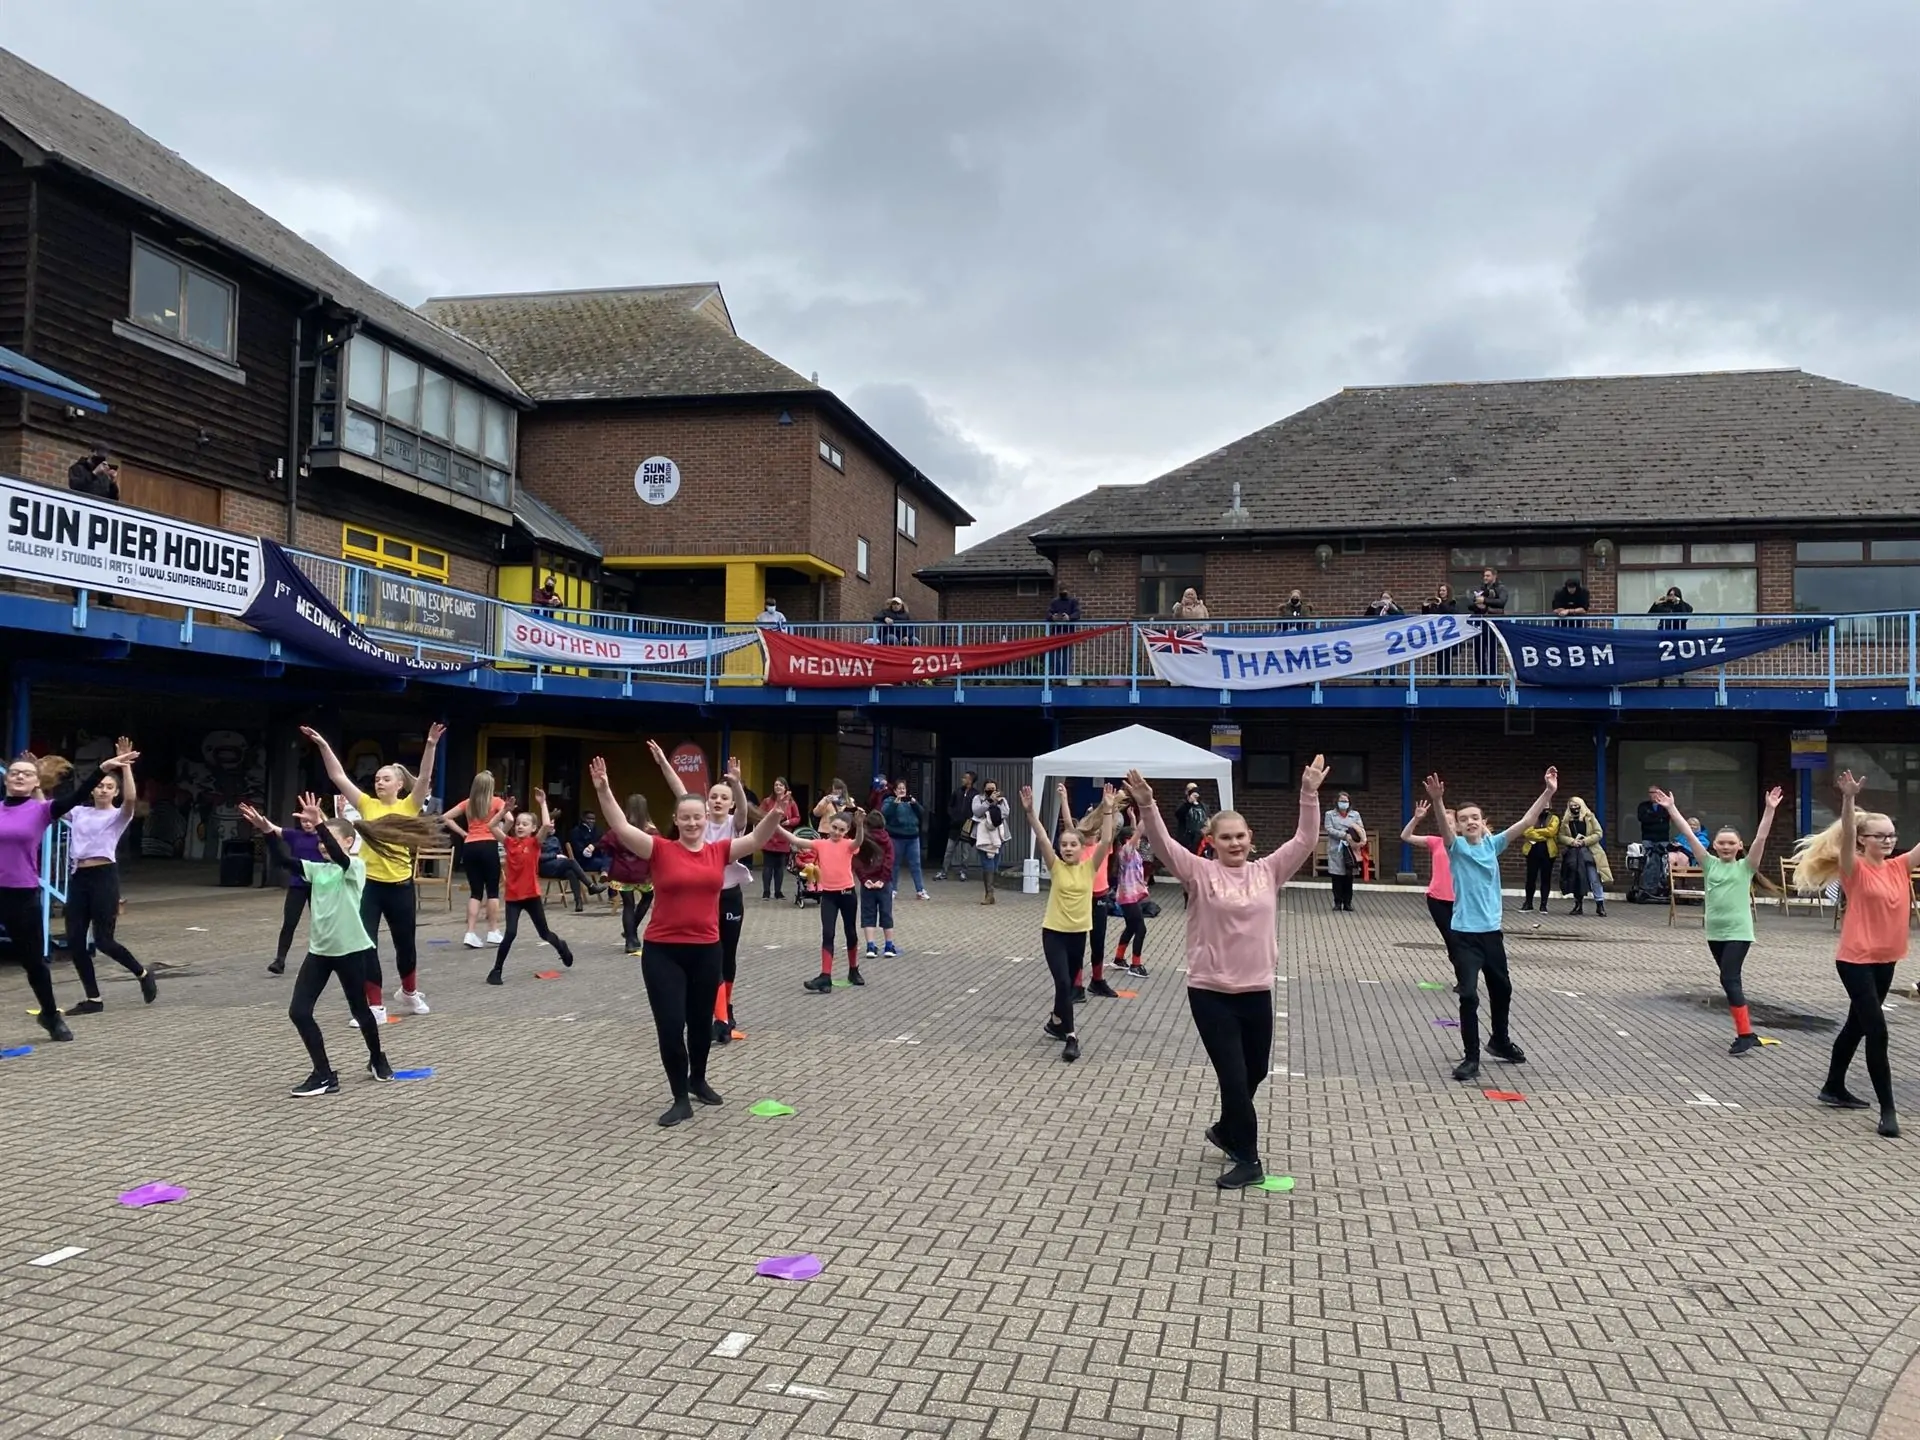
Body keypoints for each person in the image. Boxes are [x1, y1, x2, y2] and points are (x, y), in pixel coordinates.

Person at [1127, 755, 1325, 1189]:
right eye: (1226, 837)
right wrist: (1147, 805)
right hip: (1211, 993)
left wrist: (1309, 794)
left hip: (1256, 991)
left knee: (1255, 1073)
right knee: (1234, 1079)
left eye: (1240, 836)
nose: (1234, 843)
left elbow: (1305, 839)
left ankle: (1223, 1129)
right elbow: (1163, 845)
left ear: (1250, 839)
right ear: (1211, 841)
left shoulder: (1268, 871)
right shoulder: (1198, 873)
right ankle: (1248, 1158)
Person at [589, 755, 783, 1127]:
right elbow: (619, 825)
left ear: (706, 820)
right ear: (676, 820)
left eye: (698, 817)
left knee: (699, 1023)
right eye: (686, 817)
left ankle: (698, 1080)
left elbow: (757, 838)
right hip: (663, 951)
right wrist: (603, 789)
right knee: (670, 1023)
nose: (693, 823)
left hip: (706, 950)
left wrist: (774, 814)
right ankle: (680, 1096)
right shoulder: (659, 849)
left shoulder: (718, 851)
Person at [240, 794, 431, 1096]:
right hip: (319, 952)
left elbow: (339, 857)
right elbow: (284, 861)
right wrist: (267, 831)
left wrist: (320, 824)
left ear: (349, 842)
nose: (321, 844)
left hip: (351, 951)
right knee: (299, 1012)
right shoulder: (318, 870)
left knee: (361, 1011)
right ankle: (324, 1074)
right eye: (319, 840)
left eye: (327, 839)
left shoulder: (354, 867)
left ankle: (377, 1058)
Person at [1792, 771, 1920, 1138]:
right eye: (1880, 836)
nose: (1888, 840)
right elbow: (1847, 834)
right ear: (1864, 840)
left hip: (1886, 959)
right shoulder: (1855, 867)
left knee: (1857, 1025)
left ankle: (1833, 1087)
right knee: (1877, 1031)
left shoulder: (1899, 866)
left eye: (1892, 835)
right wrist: (1848, 799)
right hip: (1856, 960)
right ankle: (1888, 1110)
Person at [1422, 766, 1559, 1083]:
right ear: (1459, 826)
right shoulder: (1456, 848)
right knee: (1469, 995)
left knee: (1502, 989)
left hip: (1491, 935)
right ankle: (1471, 1058)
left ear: (1483, 823)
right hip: (1465, 936)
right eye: (1464, 819)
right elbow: (1444, 829)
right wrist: (1438, 801)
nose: (1470, 822)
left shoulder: (1492, 845)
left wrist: (1549, 791)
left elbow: (1527, 822)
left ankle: (1500, 1040)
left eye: (1476, 818)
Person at [301, 723, 444, 1020]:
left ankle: (409, 993)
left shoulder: (410, 805)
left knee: (406, 946)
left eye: (386, 779)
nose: (379, 782)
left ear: (399, 784)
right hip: (369, 886)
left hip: (401, 886)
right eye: (377, 779)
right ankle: (375, 1006)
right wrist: (324, 745)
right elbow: (338, 776)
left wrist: (430, 745)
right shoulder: (367, 804)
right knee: (367, 946)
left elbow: (425, 777)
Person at [1651, 784, 1782, 1055]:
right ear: (1714, 845)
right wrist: (1671, 808)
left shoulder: (1746, 867)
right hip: (1715, 933)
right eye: (1722, 843)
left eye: (1731, 843)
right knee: (1729, 981)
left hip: (1739, 933)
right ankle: (1747, 1032)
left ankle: (1745, 1035)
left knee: (1729, 978)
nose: (1726, 846)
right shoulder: (1708, 863)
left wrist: (1769, 809)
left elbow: (1761, 837)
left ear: (1739, 846)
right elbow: (1689, 834)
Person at [2, 750, 118, 1042]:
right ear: (6, 779)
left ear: (36, 783)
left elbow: (78, 795)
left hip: (21, 894)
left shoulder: (41, 810)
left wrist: (102, 768)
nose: (19, 776)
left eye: (27, 773)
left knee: (33, 963)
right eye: (14, 772)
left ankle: (51, 1015)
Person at [649, 740, 750, 1046]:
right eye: (714, 796)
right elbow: (680, 790)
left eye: (724, 797)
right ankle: (719, 1018)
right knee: (713, 957)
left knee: (728, 958)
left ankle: (726, 1010)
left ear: (730, 804)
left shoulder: (735, 824)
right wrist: (663, 764)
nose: (718, 801)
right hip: (704, 899)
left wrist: (737, 784)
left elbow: (745, 810)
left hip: (730, 896)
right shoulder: (699, 821)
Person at [1021, 781, 1117, 1064]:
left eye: (1072, 844)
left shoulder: (1089, 867)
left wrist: (1108, 810)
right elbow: (1041, 837)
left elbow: (1107, 841)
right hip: (1054, 934)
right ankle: (1071, 1037)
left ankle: (1055, 1021)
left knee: (1066, 986)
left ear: (1081, 847)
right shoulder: (1056, 867)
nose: (1067, 848)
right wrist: (1030, 813)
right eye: (1063, 844)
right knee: (1064, 983)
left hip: (1078, 935)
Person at [61, 738, 158, 1014]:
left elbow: (131, 799)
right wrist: (36, 785)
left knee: (103, 941)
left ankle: (142, 973)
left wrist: (124, 766)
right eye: (100, 786)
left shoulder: (118, 815)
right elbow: (48, 809)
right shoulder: (78, 812)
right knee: (75, 941)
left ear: (114, 792)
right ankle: (93, 999)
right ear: (92, 789)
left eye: (109, 787)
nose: (103, 790)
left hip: (104, 877)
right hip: (78, 877)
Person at [486, 791, 575, 982]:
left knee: (544, 933)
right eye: (518, 823)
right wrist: (504, 810)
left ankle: (561, 947)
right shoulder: (509, 842)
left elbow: (546, 825)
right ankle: (496, 971)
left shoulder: (535, 843)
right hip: (513, 897)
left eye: (525, 824)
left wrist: (542, 803)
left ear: (533, 828)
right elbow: (491, 826)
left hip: (531, 896)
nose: (520, 826)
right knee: (510, 933)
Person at [785, 808, 866, 989]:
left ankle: (854, 970)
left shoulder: (848, 844)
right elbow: (796, 840)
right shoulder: (821, 844)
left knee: (850, 932)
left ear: (847, 831)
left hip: (847, 894)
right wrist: (774, 826)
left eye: (842, 830)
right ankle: (825, 976)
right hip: (829, 895)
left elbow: (858, 841)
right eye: (834, 827)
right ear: (829, 825)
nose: (837, 832)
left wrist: (860, 826)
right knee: (828, 933)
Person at [440, 771, 507, 950]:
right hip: (489, 845)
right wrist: (501, 834)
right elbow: (509, 819)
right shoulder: (497, 802)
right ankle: (493, 930)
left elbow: (445, 817)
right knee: (492, 891)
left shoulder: (468, 803)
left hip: (470, 845)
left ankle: (470, 932)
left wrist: (463, 833)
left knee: (475, 892)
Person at [268, 791, 327, 975]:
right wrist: (260, 821)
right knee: (289, 922)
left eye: (310, 821)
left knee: (321, 922)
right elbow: (273, 829)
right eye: (303, 821)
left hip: (319, 885)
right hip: (297, 884)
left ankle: (325, 958)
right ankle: (280, 960)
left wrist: (340, 811)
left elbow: (342, 831)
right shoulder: (295, 835)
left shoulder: (325, 837)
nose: (307, 824)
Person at [1401, 799, 1458, 972]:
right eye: (1443, 822)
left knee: (1460, 939)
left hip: (1460, 899)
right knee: (1450, 938)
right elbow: (1406, 836)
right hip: (1437, 899)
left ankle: (1464, 976)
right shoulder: (1435, 842)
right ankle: (1462, 976)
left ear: (1458, 826)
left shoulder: (1465, 844)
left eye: (1450, 822)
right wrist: (1416, 818)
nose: (1446, 826)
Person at [605, 793, 656, 956]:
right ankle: (631, 931)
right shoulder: (651, 830)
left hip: (622, 872)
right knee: (647, 897)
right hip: (642, 873)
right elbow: (657, 850)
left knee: (628, 904)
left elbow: (606, 843)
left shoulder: (621, 829)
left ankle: (630, 939)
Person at [538, 811, 601, 912]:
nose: (552, 826)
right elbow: (537, 857)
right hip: (544, 867)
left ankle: (578, 902)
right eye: (550, 823)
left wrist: (560, 857)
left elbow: (560, 853)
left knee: (571, 872)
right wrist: (555, 856)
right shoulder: (538, 840)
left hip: (557, 866)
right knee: (571, 862)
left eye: (553, 823)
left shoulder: (555, 839)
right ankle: (591, 886)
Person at [1110, 825, 1151, 979]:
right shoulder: (1126, 851)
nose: (1139, 841)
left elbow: (1135, 831)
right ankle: (1135, 965)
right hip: (1128, 898)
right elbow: (1138, 832)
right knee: (1141, 929)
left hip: (1130, 896)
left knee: (1131, 927)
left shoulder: (1132, 853)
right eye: (1137, 839)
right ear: (1129, 840)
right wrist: (1145, 819)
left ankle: (1119, 959)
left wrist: (1133, 818)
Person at [855, 818, 898, 959]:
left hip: (867, 883)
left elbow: (858, 861)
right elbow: (889, 861)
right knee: (886, 913)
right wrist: (883, 879)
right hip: (884, 884)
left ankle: (870, 947)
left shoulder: (863, 839)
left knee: (868, 914)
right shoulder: (887, 840)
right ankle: (889, 946)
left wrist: (864, 879)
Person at [1559, 797, 1608, 915]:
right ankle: (1578, 905)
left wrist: (1585, 841)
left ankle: (1600, 905)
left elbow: (1598, 833)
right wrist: (1572, 841)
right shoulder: (1566, 821)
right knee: (1576, 878)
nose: (1574, 808)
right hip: (1574, 852)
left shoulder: (1590, 817)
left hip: (1590, 851)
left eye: (1576, 805)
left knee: (1594, 878)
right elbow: (1560, 836)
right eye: (1571, 806)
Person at [882, 778, 929, 899]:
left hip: (913, 837)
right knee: (894, 864)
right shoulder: (889, 801)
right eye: (899, 789)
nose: (902, 791)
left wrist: (915, 803)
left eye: (904, 788)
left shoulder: (910, 801)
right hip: (896, 837)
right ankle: (892, 889)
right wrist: (895, 804)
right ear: (895, 791)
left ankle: (920, 890)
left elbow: (922, 813)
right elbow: (885, 814)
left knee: (916, 864)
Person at [1323, 793, 1366, 911]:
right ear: (1336, 802)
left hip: (1351, 849)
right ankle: (1337, 902)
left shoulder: (1355, 815)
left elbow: (1360, 828)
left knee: (1349, 877)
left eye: (1346, 801)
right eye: (1341, 801)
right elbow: (1329, 829)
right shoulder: (1329, 814)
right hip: (1336, 848)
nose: (1343, 803)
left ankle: (1347, 903)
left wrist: (1355, 837)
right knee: (1336, 877)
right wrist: (1344, 835)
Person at [758, 779, 800, 899]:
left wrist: (789, 822)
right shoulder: (767, 801)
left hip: (783, 838)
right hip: (768, 837)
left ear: (785, 787)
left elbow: (797, 817)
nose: (777, 787)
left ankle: (778, 892)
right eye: (776, 785)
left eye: (780, 785)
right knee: (767, 867)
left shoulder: (791, 802)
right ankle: (766, 892)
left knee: (779, 868)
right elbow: (759, 814)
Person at [971, 782, 1011, 903]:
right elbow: (977, 812)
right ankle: (989, 894)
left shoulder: (1001, 799)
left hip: (999, 835)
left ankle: (990, 892)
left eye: (993, 788)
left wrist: (996, 804)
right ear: (984, 789)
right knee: (987, 864)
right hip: (982, 836)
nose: (991, 790)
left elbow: (1005, 813)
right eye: (988, 788)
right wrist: (988, 802)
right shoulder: (978, 798)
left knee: (994, 865)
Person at [937, 771, 980, 882]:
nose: (963, 779)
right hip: (955, 826)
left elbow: (977, 810)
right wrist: (953, 816)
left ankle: (963, 872)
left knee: (965, 852)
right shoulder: (957, 792)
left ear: (971, 780)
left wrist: (971, 819)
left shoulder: (976, 794)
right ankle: (943, 871)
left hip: (967, 827)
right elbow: (950, 806)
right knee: (949, 850)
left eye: (965, 778)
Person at [1519, 805, 1560, 912]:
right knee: (1530, 878)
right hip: (1532, 852)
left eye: (1547, 804)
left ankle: (1543, 905)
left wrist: (1535, 832)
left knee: (1545, 878)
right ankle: (1528, 903)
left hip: (1548, 852)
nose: (1544, 806)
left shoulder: (1554, 818)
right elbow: (1526, 832)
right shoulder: (1531, 817)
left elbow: (1551, 831)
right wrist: (1543, 836)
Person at [1471, 567, 1507, 680]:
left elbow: (1502, 602)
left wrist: (1484, 601)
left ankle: (1493, 676)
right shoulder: (1481, 589)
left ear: (1494, 576)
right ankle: (1481, 677)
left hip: (1493, 623)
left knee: (1492, 650)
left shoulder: (1501, 588)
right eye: (1484, 576)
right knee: (1478, 650)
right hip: (1480, 622)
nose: (1485, 578)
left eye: (1488, 576)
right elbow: (1472, 604)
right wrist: (1477, 604)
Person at [1422, 584, 1460, 676]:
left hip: (1448, 635)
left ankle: (1447, 678)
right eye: (1440, 590)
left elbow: (1452, 612)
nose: (1441, 592)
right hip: (1438, 634)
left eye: (1443, 590)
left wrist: (1441, 604)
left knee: (1447, 657)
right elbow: (1428, 616)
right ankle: (1440, 677)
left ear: (1448, 592)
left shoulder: (1452, 602)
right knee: (1439, 658)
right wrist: (1425, 607)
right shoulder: (1435, 605)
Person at [568, 811, 612, 880]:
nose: (591, 821)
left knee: (609, 855)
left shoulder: (597, 830)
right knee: (605, 863)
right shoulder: (576, 831)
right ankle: (605, 871)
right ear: (583, 819)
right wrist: (587, 850)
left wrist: (594, 846)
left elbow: (603, 842)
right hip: (584, 861)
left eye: (593, 819)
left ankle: (605, 872)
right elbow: (578, 848)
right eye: (589, 818)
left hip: (597, 856)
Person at [1174, 783, 1211, 853]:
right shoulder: (1183, 804)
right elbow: (1178, 814)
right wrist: (1189, 803)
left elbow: (1207, 819)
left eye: (1195, 789)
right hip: (1186, 840)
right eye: (1190, 790)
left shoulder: (1204, 806)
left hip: (1200, 840)